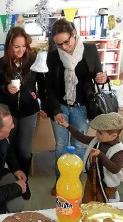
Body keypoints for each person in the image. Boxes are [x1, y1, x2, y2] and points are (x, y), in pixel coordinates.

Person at [43, 18, 108, 195]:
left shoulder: (89, 50)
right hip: (61, 107)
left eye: (66, 42)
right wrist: (55, 110)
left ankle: (74, 181)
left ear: (74, 34)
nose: (64, 47)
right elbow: (48, 88)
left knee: (79, 147)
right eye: (59, 44)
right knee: (61, 146)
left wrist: (103, 78)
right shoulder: (53, 56)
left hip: (82, 108)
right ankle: (60, 181)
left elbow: (98, 75)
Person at [0, 26, 46, 200]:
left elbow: (43, 86)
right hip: (8, 113)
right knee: (10, 147)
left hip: (29, 111)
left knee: (24, 149)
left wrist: (44, 106)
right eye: (16, 47)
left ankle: (25, 182)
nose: (21, 50)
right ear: (9, 46)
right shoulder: (1, 63)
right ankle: (15, 182)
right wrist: (6, 89)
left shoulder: (34, 60)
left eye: (24, 46)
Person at [59, 112, 123, 203]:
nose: (97, 134)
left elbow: (115, 169)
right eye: (97, 131)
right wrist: (67, 126)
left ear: (113, 135)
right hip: (92, 179)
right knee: (87, 203)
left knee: (101, 207)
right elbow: (82, 138)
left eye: (100, 133)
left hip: (106, 186)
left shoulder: (118, 150)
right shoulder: (97, 140)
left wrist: (100, 155)